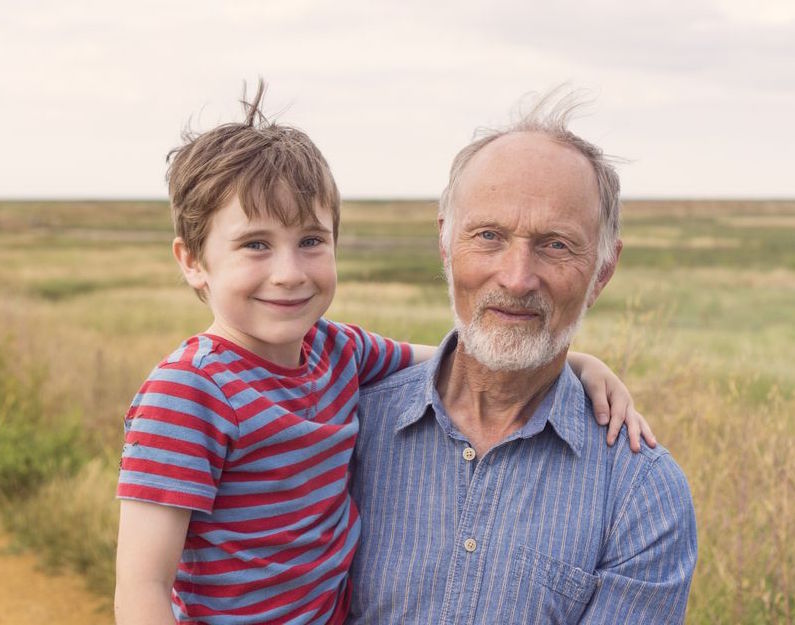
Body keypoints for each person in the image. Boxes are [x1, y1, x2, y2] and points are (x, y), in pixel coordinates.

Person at [114, 81, 656, 625]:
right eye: (255, 245)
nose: (289, 273)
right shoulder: (187, 393)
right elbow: (143, 587)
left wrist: (579, 364)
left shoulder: (337, 350)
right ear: (192, 261)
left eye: (311, 241)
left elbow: (460, 357)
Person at [347, 92, 698, 624]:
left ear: (603, 270)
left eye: (556, 245)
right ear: (445, 242)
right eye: (489, 236)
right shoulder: (339, 425)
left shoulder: (640, 493)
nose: (516, 277)